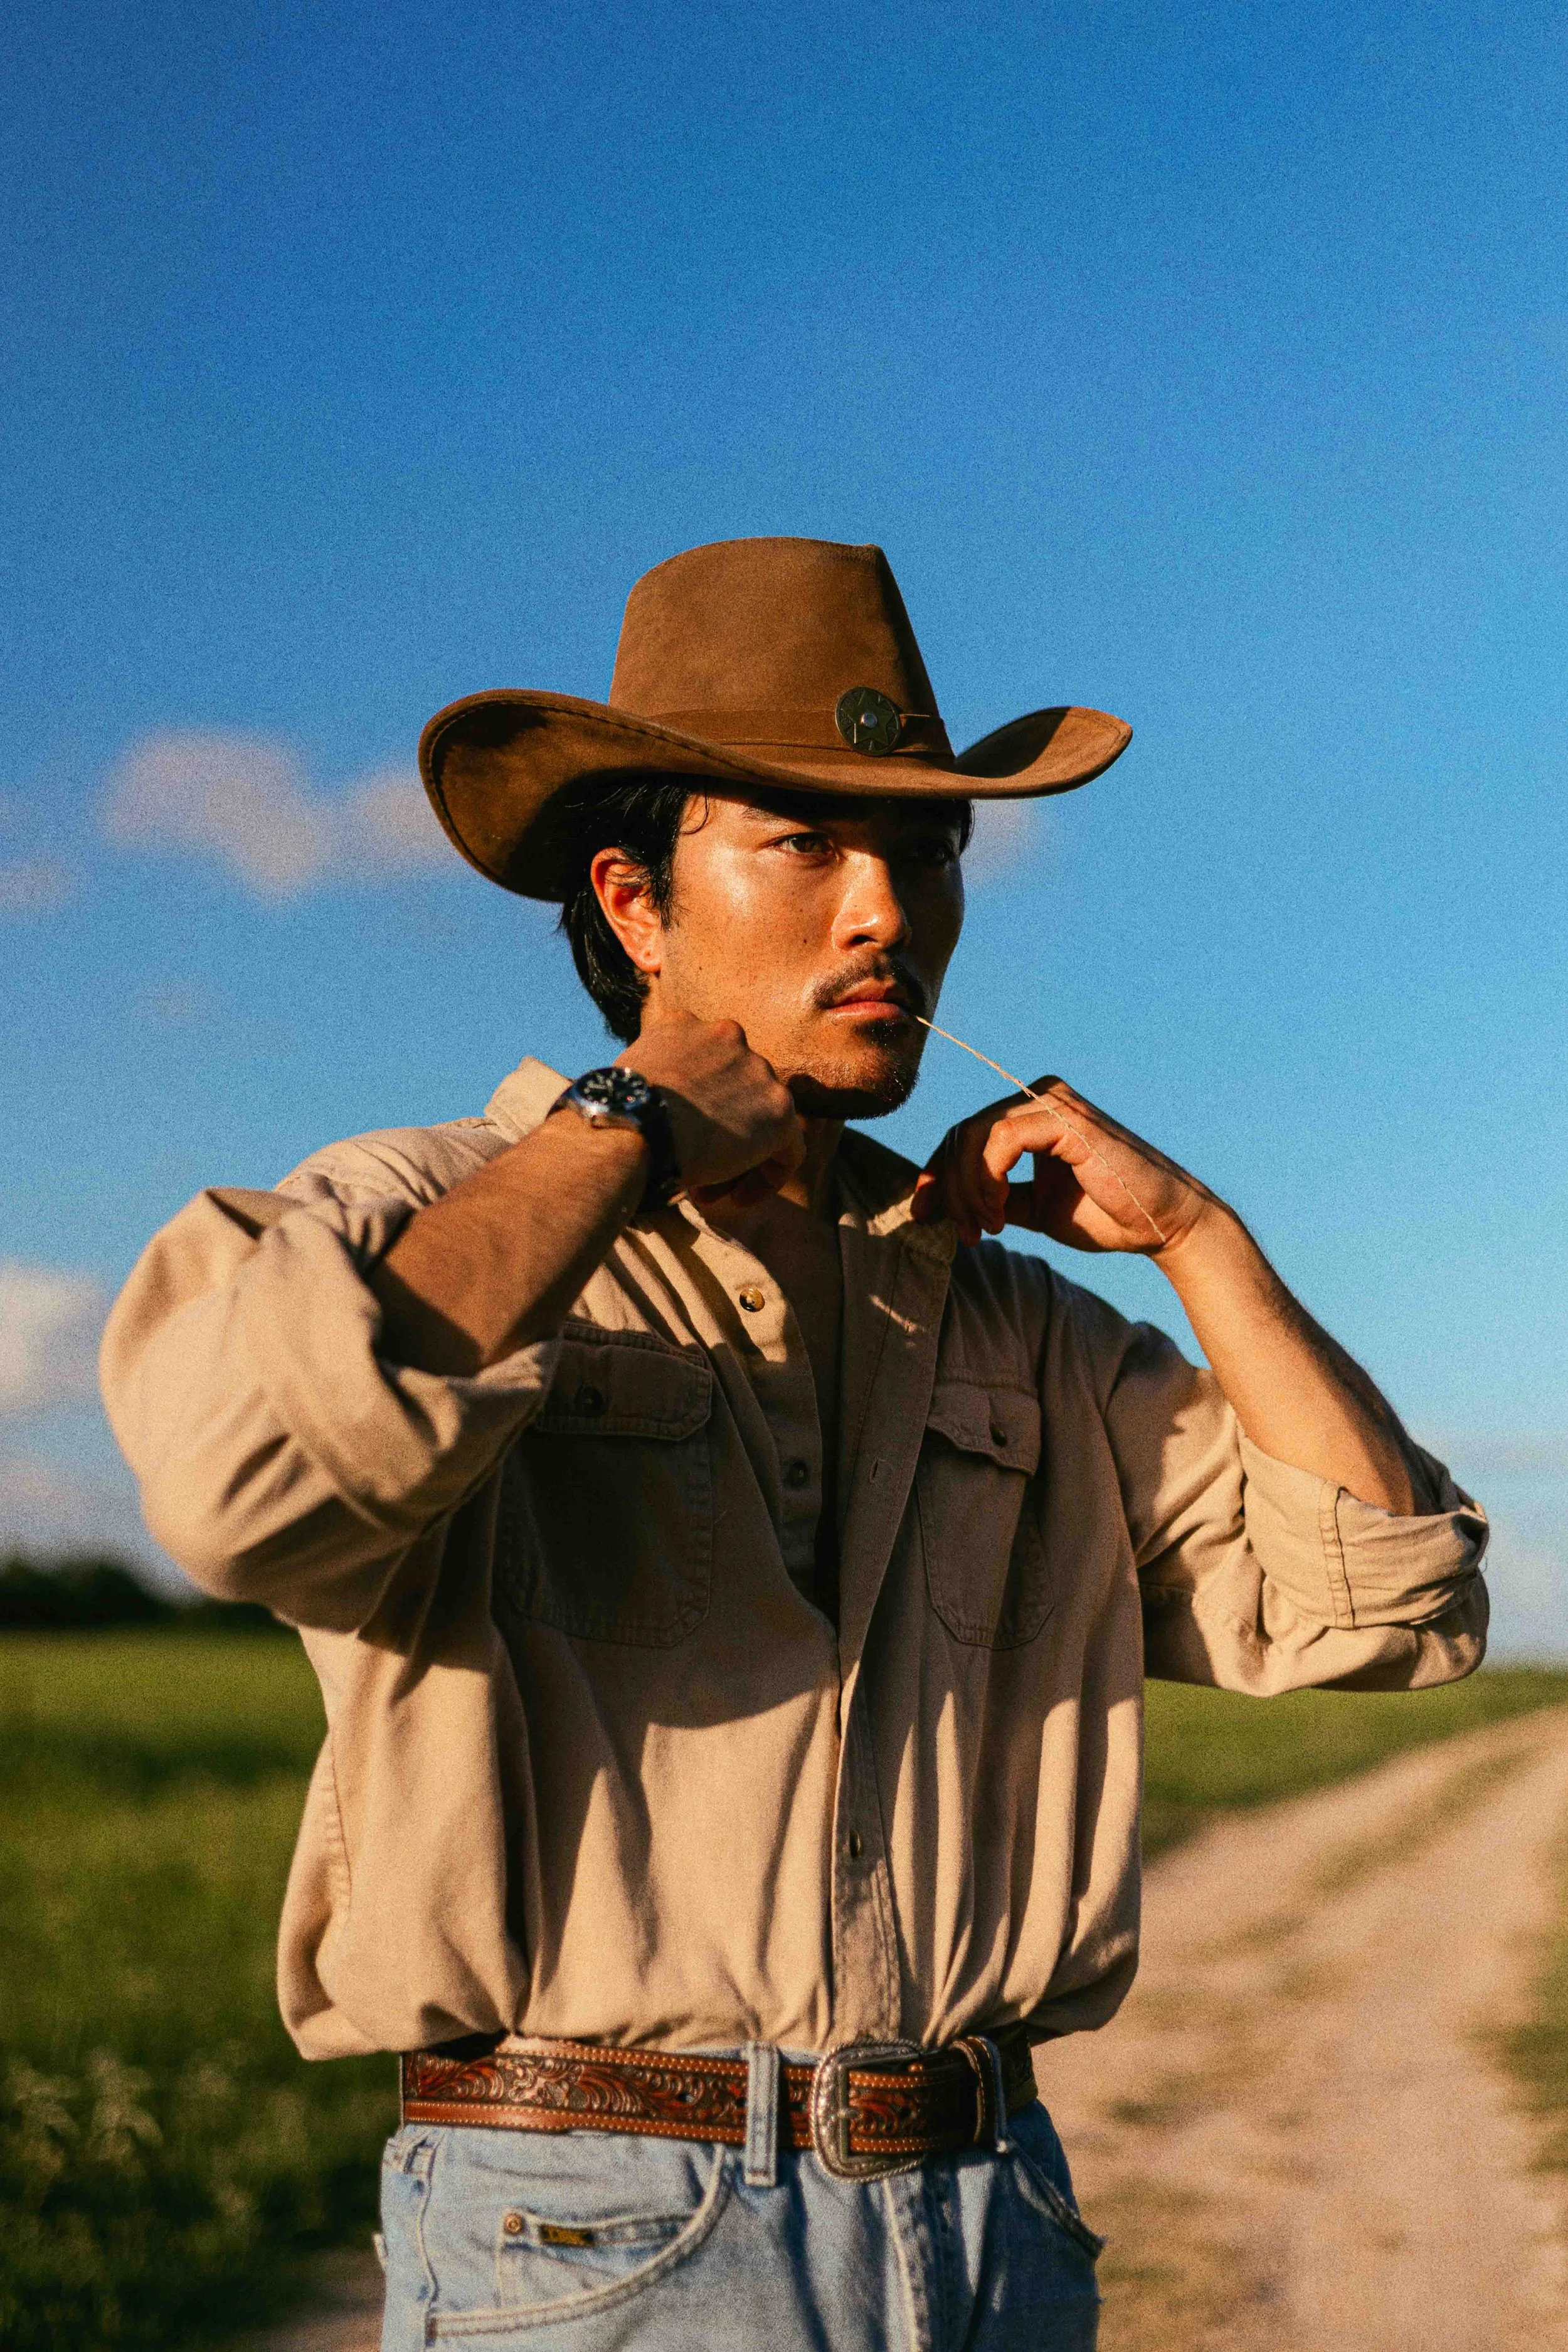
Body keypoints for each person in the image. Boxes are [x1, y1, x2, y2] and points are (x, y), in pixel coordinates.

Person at [102, 537, 1488, 2351]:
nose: (886, 912)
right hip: (590, 2234)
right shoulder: (403, 1212)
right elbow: (241, 1482)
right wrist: (621, 1131)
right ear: (635, 904)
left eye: (922, 851)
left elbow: (1382, 1605)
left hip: (993, 2223)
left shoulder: (1013, 1319)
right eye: (804, 845)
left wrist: (1201, 1242)